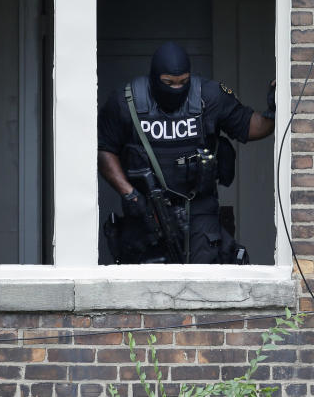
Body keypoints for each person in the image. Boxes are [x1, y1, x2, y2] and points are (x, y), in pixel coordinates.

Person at [98, 41, 277, 264]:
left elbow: (251, 127)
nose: (176, 88)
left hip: (199, 211)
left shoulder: (209, 96)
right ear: (154, 78)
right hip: (146, 213)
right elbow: (104, 148)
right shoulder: (126, 101)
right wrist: (129, 193)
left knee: (207, 279)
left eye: (183, 82)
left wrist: (272, 111)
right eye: (168, 83)